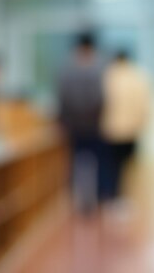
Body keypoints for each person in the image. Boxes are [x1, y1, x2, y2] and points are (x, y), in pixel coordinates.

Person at [57, 32, 106, 213]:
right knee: (99, 162)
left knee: (74, 162)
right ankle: (97, 199)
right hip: (95, 124)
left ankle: (76, 199)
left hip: (73, 125)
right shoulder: (101, 66)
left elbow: (62, 97)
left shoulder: (67, 68)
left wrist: (62, 121)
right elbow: (102, 98)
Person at [100, 51, 152, 202]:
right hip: (131, 130)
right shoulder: (138, 76)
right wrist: (141, 124)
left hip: (110, 130)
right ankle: (125, 197)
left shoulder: (107, 76)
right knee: (129, 166)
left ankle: (112, 196)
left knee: (112, 166)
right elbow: (144, 104)